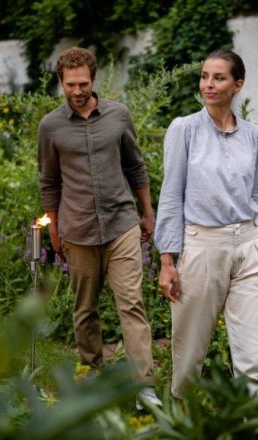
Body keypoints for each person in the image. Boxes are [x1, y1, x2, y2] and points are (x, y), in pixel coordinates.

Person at [37, 47, 161, 410]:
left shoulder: (118, 115)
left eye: (83, 84)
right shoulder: (50, 127)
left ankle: (144, 387)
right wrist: (54, 230)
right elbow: (49, 181)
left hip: (121, 224)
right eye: (70, 85)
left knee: (132, 304)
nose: (77, 91)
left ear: (94, 79)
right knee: (85, 309)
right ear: (61, 82)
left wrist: (148, 212)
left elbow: (135, 166)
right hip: (77, 229)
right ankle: (92, 376)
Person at [154, 49, 258, 409]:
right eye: (204, 76)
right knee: (190, 354)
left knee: (253, 356)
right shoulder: (185, 129)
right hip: (202, 247)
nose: (208, 84)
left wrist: (249, 234)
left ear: (237, 85)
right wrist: (167, 261)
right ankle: (182, 421)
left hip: (250, 248)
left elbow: (255, 191)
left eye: (219, 78)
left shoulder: (253, 135)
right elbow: (171, 196)